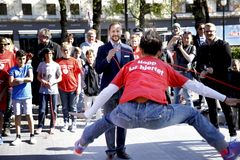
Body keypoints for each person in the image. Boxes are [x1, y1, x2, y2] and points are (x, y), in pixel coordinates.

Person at [72, 29, 240, 160]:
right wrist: (224, 98)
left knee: (107, 120)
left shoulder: (129, 66)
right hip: (156, 114)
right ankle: (225, 150)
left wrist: (88, 113)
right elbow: (197, 87)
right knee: (193, 114)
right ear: (160, 52)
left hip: (125, 113)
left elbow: (108, 91)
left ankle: (81, 144)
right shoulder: (165, 67)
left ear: (141, 49)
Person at [94, 22, 134, 160]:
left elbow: (132, 71)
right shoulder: (102, 49)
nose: (115, 34)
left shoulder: (128, 49)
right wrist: (108, 58)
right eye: (113, 31)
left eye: (118, 31)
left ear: (121, 32)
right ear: (109, 32)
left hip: (124, 92)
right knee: (110, 121)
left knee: (123, 121)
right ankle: (110, 151)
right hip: (108, 91)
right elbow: (98, 69)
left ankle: (121, 150)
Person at [196, 23, 238, 141]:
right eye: (207, 31)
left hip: (222, 81)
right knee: (211, 107)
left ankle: (233, 135)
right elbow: (199, 63)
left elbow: (228, 63)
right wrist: (203, 70)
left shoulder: (223, 44)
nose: (209, 33)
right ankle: (215, 132)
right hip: (208, 82)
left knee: (226, 107)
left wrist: (213, 68)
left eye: (211, 31)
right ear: (204, 32)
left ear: (215, 32)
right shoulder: (202, 47)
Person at [9, 50, 36, 145]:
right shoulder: (12, 69)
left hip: (27, 96)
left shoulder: (28, 66)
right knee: (17, 116)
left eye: (23, 59)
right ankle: (18, 136)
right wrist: (25, 80)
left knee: (29, 115)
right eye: (20, 59)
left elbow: (31, 78)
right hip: (16, 97)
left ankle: (32, 135)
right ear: (16, 59)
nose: (22, 61)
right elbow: (11, 83)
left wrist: (20, 80)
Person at [31, 28, 62, 106]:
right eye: (39, 36)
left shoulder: (55, 47)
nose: (39, 38)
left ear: (46, 37)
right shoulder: (37, 47)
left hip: (52, 77)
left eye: (40, 36)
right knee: (42, 100)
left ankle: (54, 114)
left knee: (54, 100)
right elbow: (34, 62)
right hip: (40, 77)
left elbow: (58, 62)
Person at [56, 42, 82, 133]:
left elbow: (78, 75)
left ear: (70, 50)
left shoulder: (74, 61)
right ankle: (66, 122)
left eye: (67, 50)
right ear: (61, 50)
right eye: (64, 50)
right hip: (62, 88)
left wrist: (79, 87)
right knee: (64, 107)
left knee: (73, 107)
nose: (66, 51)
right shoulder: (58, 61)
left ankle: (73, 123)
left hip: (73, 87)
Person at [35, 48, 62, 135]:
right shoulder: (41, 64)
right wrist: (42, 81)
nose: (48, 55)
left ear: (52, 54)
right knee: (42, 109)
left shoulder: (56, 65)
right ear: (44, 55)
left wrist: (53, 82)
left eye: (50, 53)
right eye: (47, 54)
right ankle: (40, 125)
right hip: (43, 90)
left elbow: (60, 77)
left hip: (53, 90)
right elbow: (38, 76)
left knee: (53, 109)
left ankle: (52, 126)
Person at [172, 31, 196, 108]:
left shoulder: (192, 47)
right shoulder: (178, 46)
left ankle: (192, 114)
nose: (186, 39)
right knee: (176, 95)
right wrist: (173, 39)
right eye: (184, 37)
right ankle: (175, 114)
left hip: (187, 74)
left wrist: (181, 49)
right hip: (177, 73)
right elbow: (168, 48)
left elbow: (189, 59)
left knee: (187, 96)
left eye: (188, 38)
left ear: (191, 39)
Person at [0, 37, 16, 137]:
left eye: (5, 45)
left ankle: (6, 126)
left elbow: (15, 68)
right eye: (1, 45)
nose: (3, 47)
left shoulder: (11, 55)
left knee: (8, 107)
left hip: (9, 85)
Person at [83, 49, 101, 120]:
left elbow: (101, 77)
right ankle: (88, 121)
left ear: (94, 57)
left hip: (97, 90)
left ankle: (98, 121)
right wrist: (84, 87)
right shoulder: (85, 67)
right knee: (87, 107)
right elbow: (82, 78)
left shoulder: (97, 66)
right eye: (88, 57)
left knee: (98, 107)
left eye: (91, 57)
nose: (89, 59)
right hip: (88, 91)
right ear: (86, 57)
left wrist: (100, 86)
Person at [192, 23, 206, 108]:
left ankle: (214, 102)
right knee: (200, 83)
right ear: (197, 30)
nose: (203, 30)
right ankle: (201, 100)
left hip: (208, 65)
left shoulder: (208, 39)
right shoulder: (194, 39)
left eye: (204, 28)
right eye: (200, 29)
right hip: (198, 64)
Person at [228, 59, 240, 129]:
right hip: (233, 95)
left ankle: (238, 125)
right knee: (234, 112)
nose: (234, 67)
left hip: (239, 95)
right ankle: (234, 125)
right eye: (233, 65)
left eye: (235, 65)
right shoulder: (230, 74)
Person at [0, 64, 9, 144]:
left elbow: (7, 86)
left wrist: (1, 95)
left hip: (2, 100)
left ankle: (0, 135)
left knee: (1, 116)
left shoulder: (4, 73)